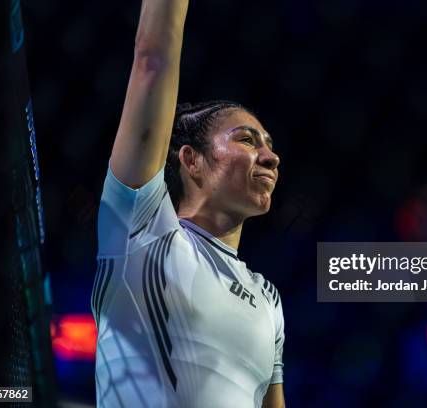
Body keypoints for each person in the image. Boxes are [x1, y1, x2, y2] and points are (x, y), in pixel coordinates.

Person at [91, 0, 285, 407]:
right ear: (191, 160)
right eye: (247, 140)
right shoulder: (142, 230)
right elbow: (152, 60)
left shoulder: (268, 297)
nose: (270, 157)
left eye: (269, 145)